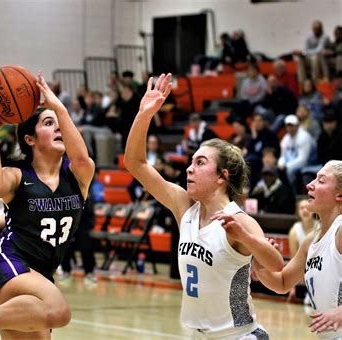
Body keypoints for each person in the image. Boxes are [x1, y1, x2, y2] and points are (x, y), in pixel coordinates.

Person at [124, 73, 284, 338]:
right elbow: (135, 164)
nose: (189, 168)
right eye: (191, 161)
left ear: (223, 176)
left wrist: (247, 239)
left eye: (200, 163)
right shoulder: (184, 207)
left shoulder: (239, 219)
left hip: (239, 335)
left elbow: (277, 265)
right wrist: (144, 115)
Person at [0, 71, 95, 339]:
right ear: (29, 139)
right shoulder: (19, 175)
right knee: (58, 311)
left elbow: (80, 156)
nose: (59, 128)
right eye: (49, 123)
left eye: (60, 123)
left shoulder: (78, 174)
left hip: (41, 274)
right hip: (6, 263)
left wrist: (57, 107)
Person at [254, 160, 342, 338]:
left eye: (321, 181)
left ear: (339, 195)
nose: (310, 185)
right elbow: (283, 283)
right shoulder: (311, 241)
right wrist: (259, 264)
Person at [287, 198, 317, 303]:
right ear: (298, 212)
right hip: (305, 271)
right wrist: (292, 289)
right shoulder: (294, 231)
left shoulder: (321, 227)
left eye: (307, 207)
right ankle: (310, 292)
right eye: (301, 208)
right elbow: (294, 261)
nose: (305, 210)